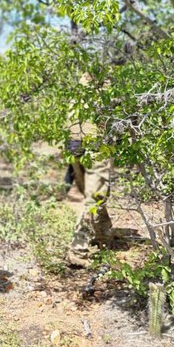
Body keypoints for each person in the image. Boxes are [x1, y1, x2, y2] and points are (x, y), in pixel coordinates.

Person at [64, 80, 113, 268]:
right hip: (94, 143)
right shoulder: (109, 84)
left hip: (74, 142)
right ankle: (78, 250)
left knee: (93, 193)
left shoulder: (79, 85)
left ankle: (103, 232)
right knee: (95, 196)